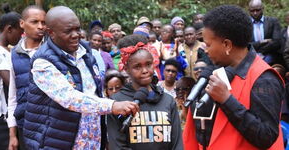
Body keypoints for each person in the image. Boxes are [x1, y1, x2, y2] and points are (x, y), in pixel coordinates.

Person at [22, 6, 139, 149]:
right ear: (51, 33)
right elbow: (69, 97)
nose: (76, 35)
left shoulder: (85, 52)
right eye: (68, 31)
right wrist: (112, 105)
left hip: (91, 140)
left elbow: (95, 91)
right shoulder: (42, 62)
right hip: (58, 141)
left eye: (77, 29)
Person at [183, 5, 284, 150]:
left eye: (208, 44)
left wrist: (226, 100)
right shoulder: (219, 71)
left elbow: (266, 136)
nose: (204, 49)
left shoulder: (264, 78)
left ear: (227, 45)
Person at [107, 40, 183, 150]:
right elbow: (117, 145)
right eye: (137, 67)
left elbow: (177, 143)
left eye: (148, 64)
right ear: (127, 69)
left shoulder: (168, 100)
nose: (145, 71)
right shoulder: (117, 102)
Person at [7, 6, 46, 150]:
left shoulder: (52, 51)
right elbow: (12, 98)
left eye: (43, 22)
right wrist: (12, 135)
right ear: (22, 24)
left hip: (50, 127)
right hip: (25, 127)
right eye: (34, 22)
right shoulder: (14, 55)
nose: (40, 26)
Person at [0, 7, 23, 150]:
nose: (21, 37)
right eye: (20, 33)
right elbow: (12, 84)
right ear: (9, 29)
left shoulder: (4, 50)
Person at [248, 0, 283, 65]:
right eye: (252, 11)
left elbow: (277, 42)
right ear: (249, 10)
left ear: (262, 9)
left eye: (257, 10)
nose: (255, 13)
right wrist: (261, 42)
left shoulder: (273, 22)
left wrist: (257, 48)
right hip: (251, 61)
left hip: (271, 61)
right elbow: (245, 45)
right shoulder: (245, 24)